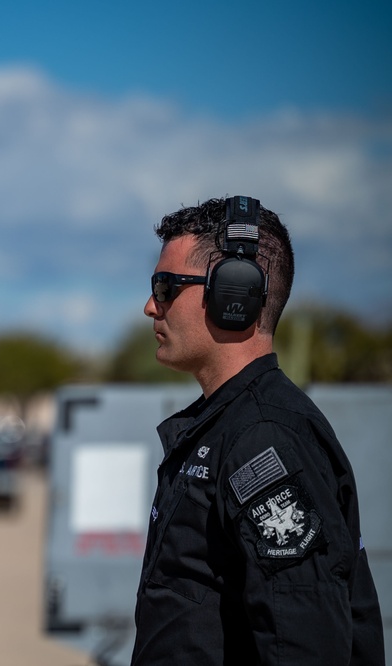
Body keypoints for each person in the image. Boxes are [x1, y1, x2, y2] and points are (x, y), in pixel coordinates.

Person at [131, 196, 384, 665]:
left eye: (166, 287)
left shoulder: (264, 438)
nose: (151, 306)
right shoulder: (226, 426)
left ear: (233, 294)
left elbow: (303, 644)